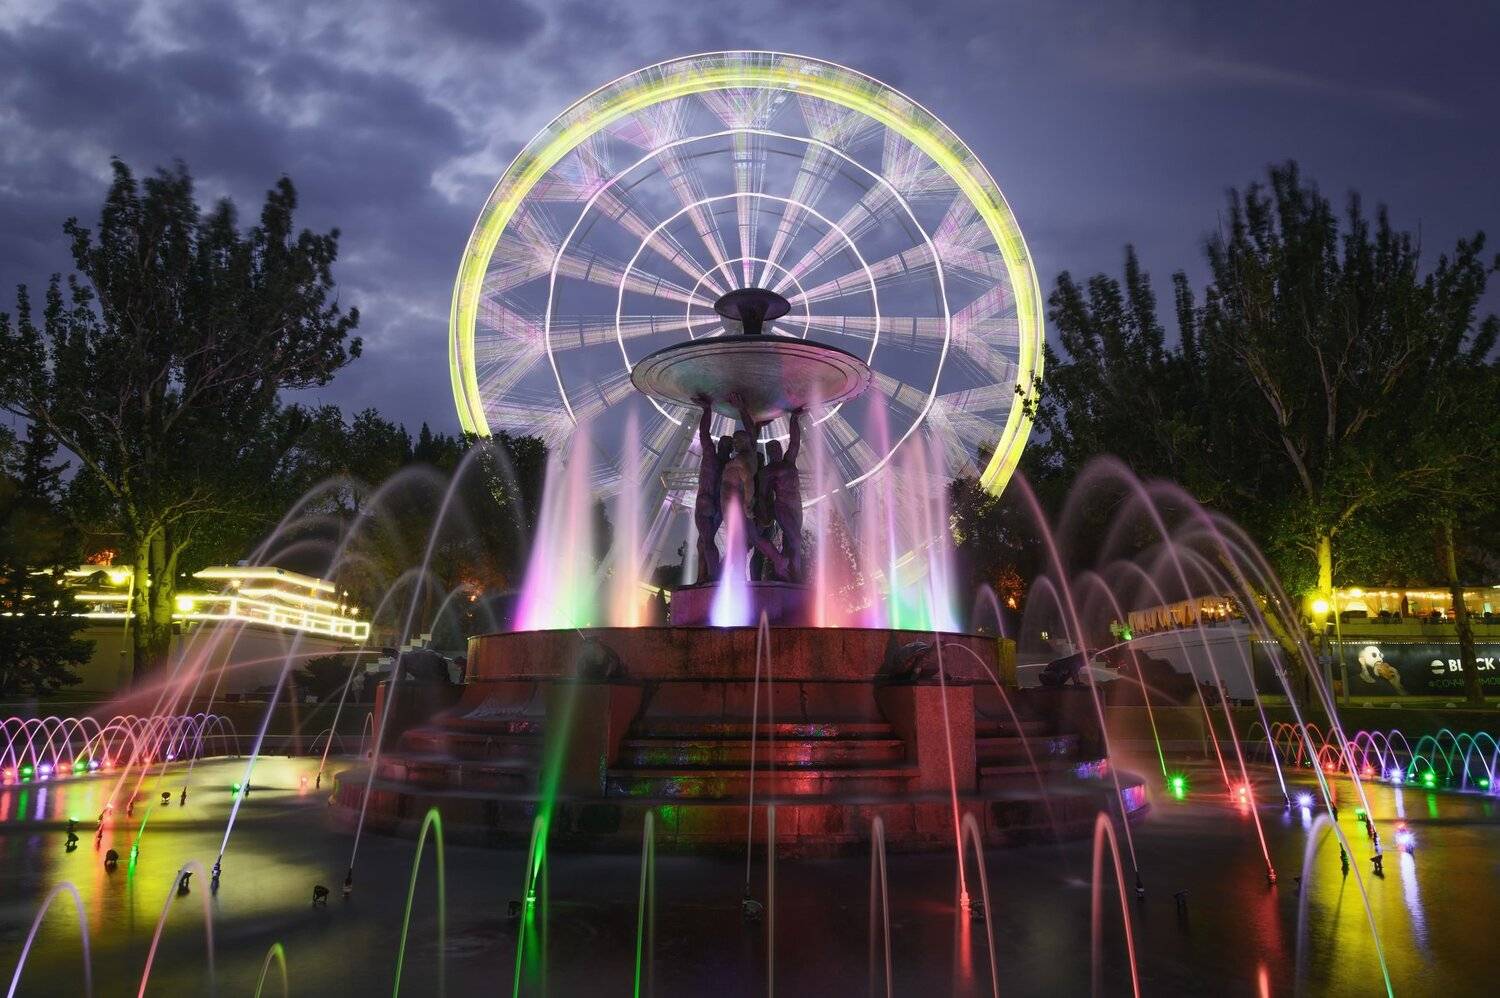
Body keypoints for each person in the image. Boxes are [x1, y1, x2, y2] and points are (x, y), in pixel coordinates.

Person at [692, 395, 733, 583]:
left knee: (706, 541)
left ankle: (712, 577)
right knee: (702, 543)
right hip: (717, 506)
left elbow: (704, 434)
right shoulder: (731, 465)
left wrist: (707, 409)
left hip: (705, 501)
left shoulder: (711, 456)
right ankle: (704, 576)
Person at [760, 408, 804, 581]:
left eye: (777, 447)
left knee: (790, 540)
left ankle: (786, 573)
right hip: (782, 506)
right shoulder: (767, 472)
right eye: (773, 449)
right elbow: (763, 495)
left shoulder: (789, 461)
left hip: (796, 504)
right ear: (769, 452)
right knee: (796, 538)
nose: (776, 450)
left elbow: (795, 442)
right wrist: (765, 516)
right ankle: (797, 575)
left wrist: (794, 419)